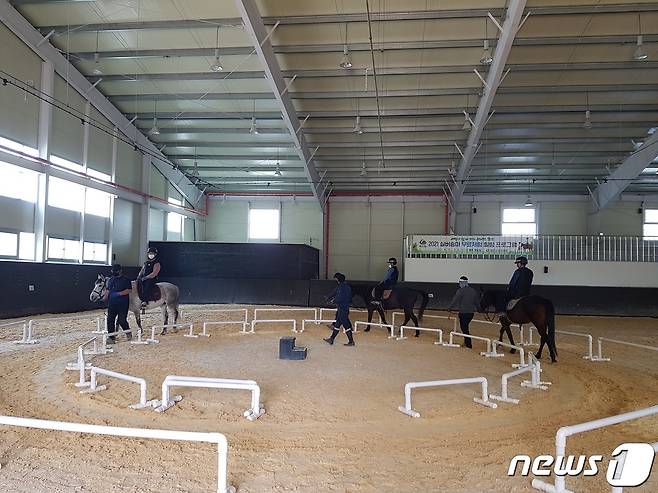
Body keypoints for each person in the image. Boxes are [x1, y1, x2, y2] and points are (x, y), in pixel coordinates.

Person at [324, 272, 355, 346]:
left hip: (342, 309)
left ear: (338, 279)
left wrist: (332, 301)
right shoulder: (347, 287)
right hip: (344, 308)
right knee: (337, 324)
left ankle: (351, 341)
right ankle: (331, 339)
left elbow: (339, 297)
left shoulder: (341, 287)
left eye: (336, 279)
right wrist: (329, 297)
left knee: (346, 325)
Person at [448, 276, 479, 349]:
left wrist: (449, 308)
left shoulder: (460, 291)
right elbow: (476, 302)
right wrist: (479, 309)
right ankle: (466, 342)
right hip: (471, 313)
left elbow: (455, 300)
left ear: (462, 283)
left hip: (463, 313)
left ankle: (468, 344)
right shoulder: (473, 291)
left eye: (460, 283)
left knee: (464, 328)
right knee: (465, 328)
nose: (459, 284)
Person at [104, 264, 132, 344]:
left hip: (123, 304)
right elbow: (108, 290)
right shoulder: (111, 280)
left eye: (116, 271)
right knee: (110, 320)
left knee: (122, 320)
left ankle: (128, 332)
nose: (114, 273)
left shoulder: (126, 280)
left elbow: (129, 290)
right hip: (112, 304)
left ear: (120, 271)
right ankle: (111, 337)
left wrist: (119, 293)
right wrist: (105, 297)